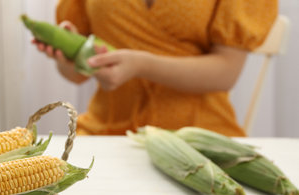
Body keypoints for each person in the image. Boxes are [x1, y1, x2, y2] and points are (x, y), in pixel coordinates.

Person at [33, 0, 278, 136]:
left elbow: (226, 73)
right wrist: (70, 58)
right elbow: (76, 75)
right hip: (107, 133)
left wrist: (141, 65)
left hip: (201, 136)